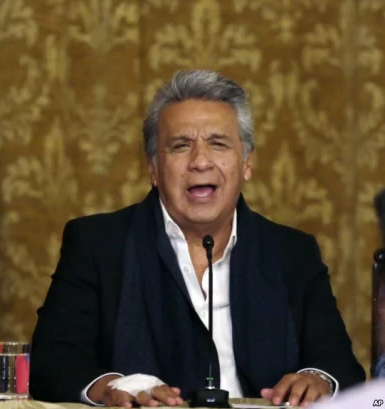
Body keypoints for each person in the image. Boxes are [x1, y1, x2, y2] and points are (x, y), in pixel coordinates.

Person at [29, 70, 365, 408]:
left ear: (247, 163)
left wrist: (317, 378)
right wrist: (114, 386)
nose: (200, 161)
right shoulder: (99, 244)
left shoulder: (293, 252)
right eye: (180, 146)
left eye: (218, 144)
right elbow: (52, 363)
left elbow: (340, 366)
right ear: (153, 168)